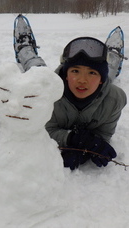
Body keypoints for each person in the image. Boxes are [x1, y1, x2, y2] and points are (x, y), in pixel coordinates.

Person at [13, 14, 127, 170]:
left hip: (105, 84)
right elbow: (45, 130)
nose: (82, 80)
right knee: (35, 68)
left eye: (92, 73)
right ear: (66, 75)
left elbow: (104, 134)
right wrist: (72, 139)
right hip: (48, 82)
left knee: (111, 72)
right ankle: (25, 48)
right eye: (75, 71)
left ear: (101, 79)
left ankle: (112, 54)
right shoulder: (47, 93)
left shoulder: (114, 99)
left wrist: (86, 148)